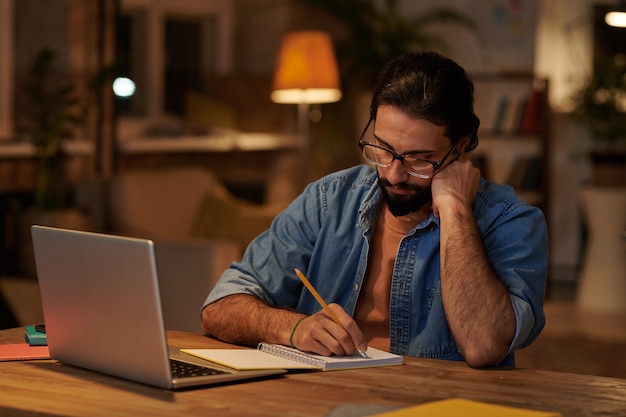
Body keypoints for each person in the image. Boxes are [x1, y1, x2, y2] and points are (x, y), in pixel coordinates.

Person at [201, 51, 548, 368]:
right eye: (383, 149)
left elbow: (484, 345)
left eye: (419, 159)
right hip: (322, 399)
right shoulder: (329, 201)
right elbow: (220, 307)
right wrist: (293, 327)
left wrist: (455, 209)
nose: (394, 173)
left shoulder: (510, 221)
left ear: (459, 148)